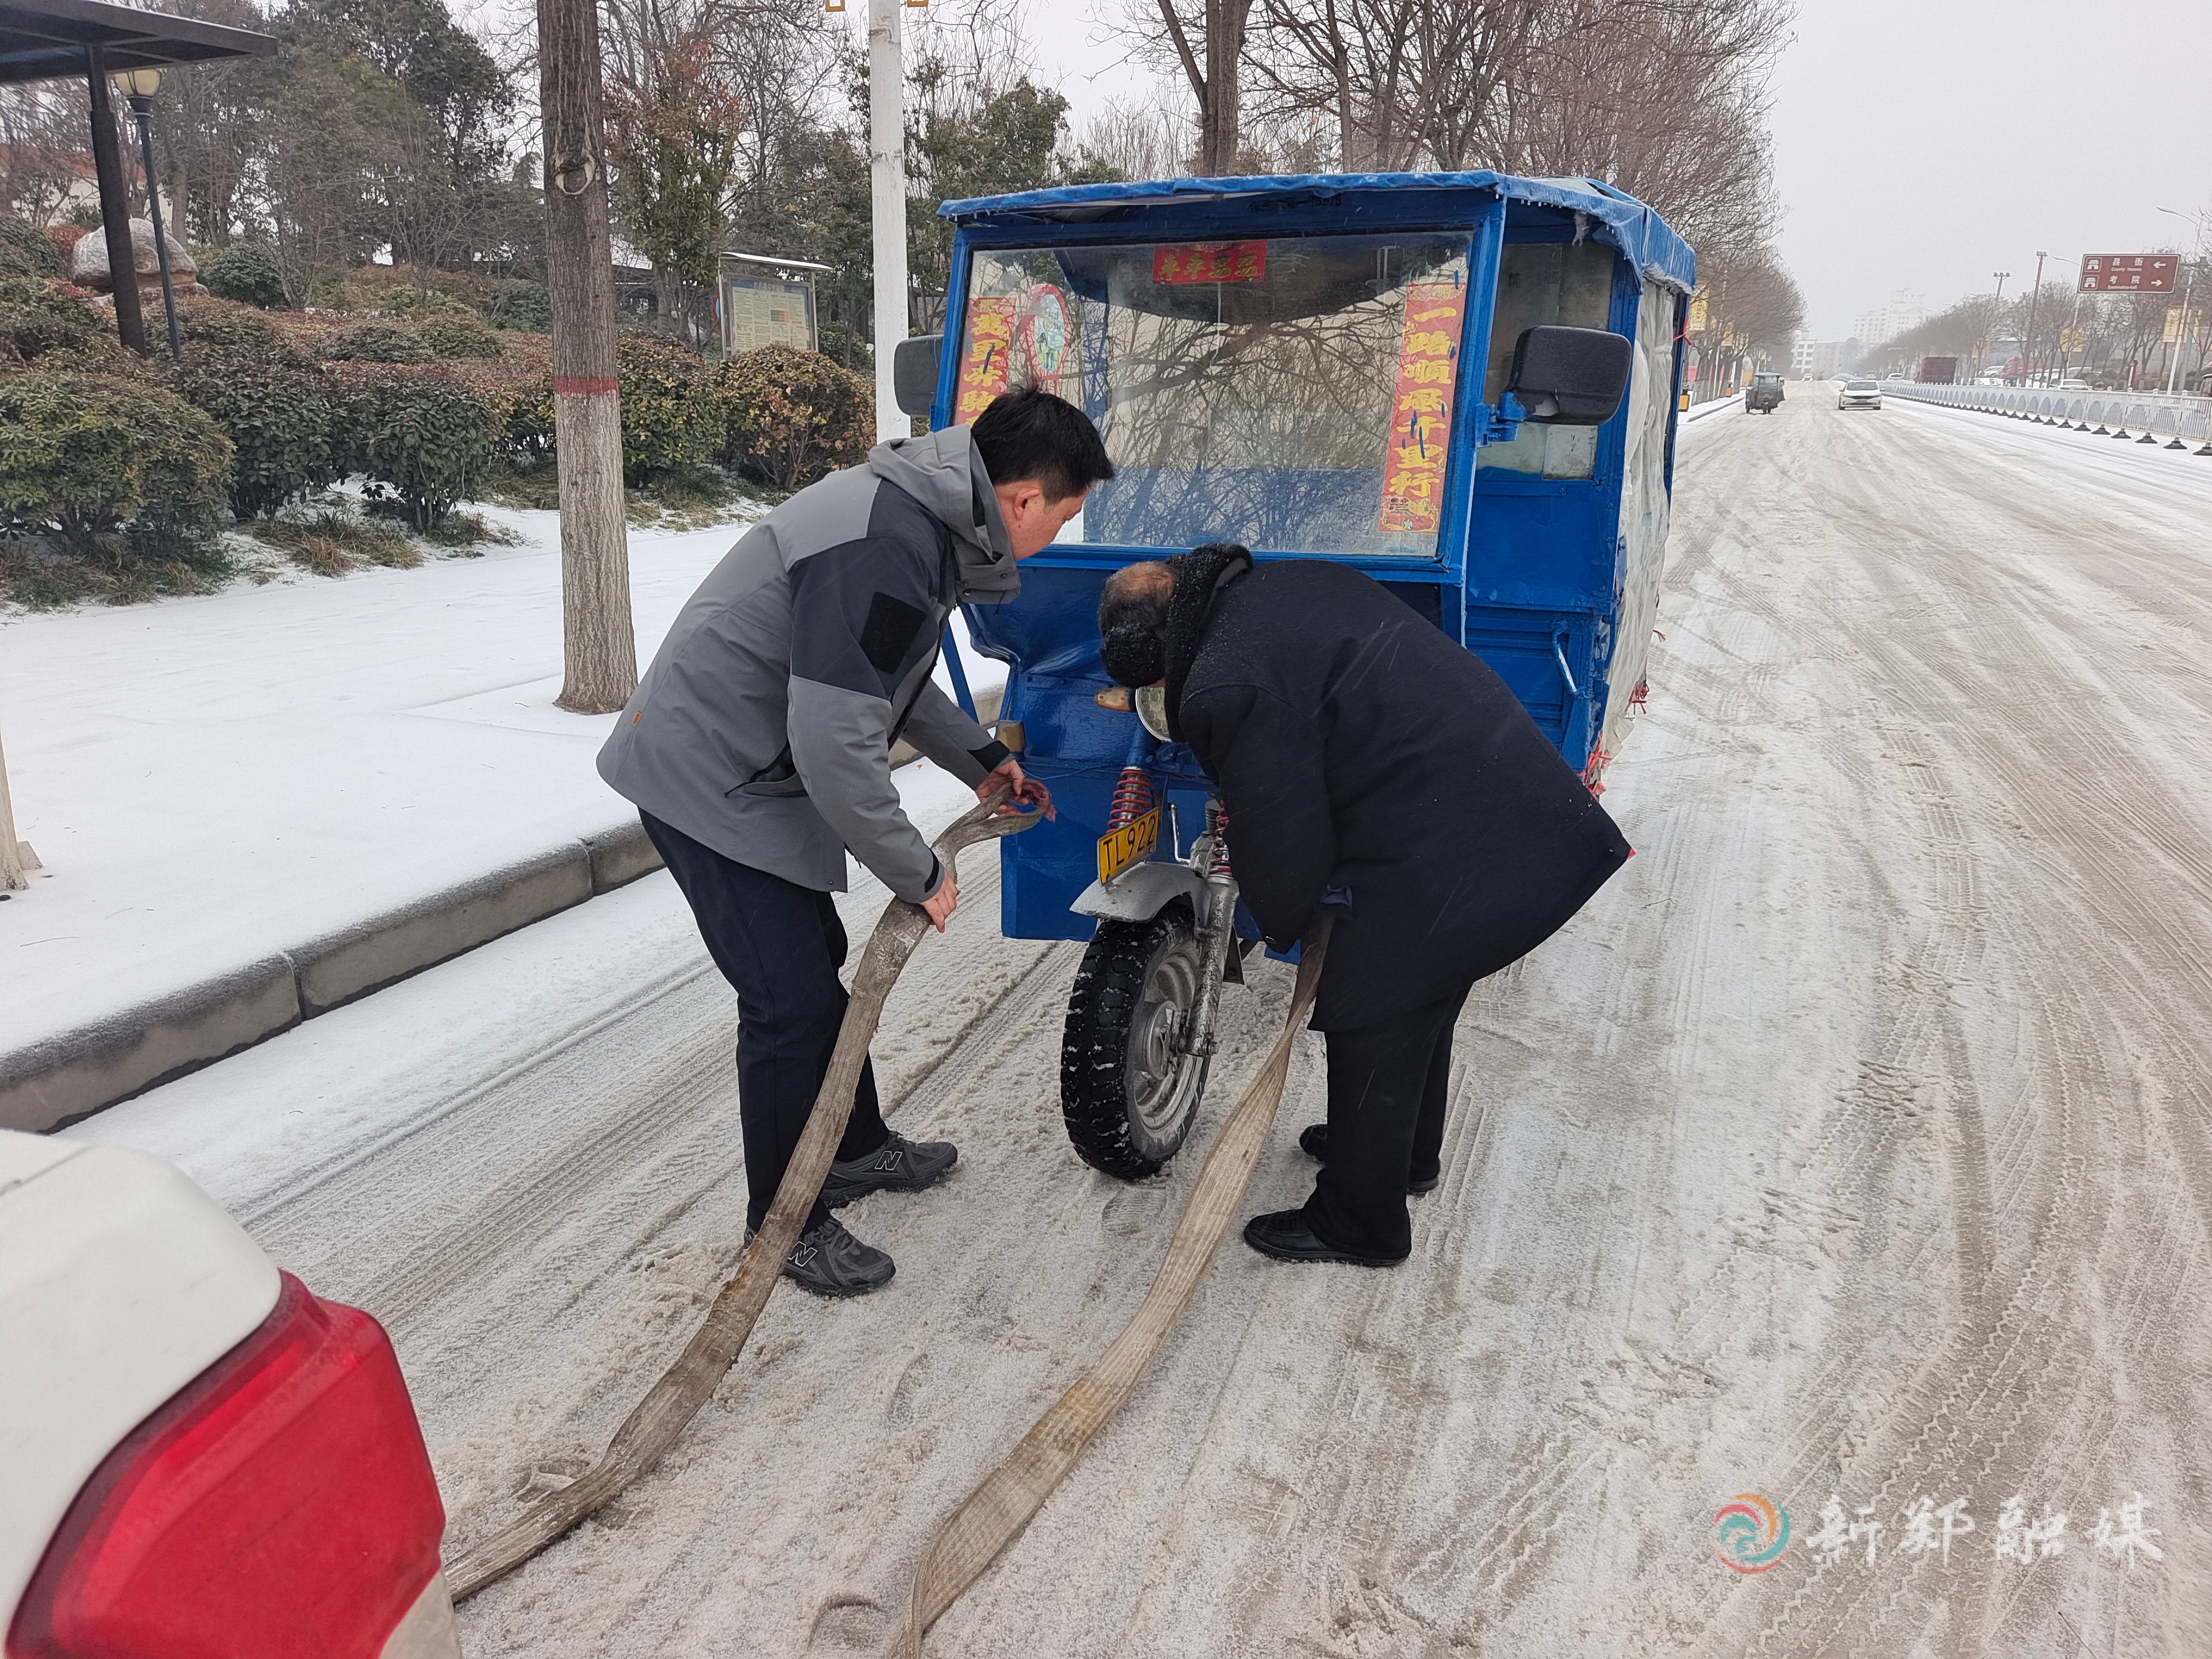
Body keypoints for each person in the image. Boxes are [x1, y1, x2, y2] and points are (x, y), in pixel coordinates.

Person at [599, 389, 1113, 1297]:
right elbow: (836, 741)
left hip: (749, 760)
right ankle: (781, 1226)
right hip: (705, 775)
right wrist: (915, 870)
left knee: (813, 967)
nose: (1060, 537)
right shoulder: (887, 541)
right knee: (787, 1003)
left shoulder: (919, 519)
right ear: (1023, 499)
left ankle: (854, 1147)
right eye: (1065, 516)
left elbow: (890, 680)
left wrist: (983, 761)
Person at [1096, 543, 1630, 1268]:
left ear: (1163, 651)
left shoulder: (1225, 681)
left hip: (1456, 832)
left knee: (1370, 1007)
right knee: (1424, 991)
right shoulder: (1282, 588)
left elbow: (1282, 828)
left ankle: (1359, 1222)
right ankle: (1399, 1157)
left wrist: (1288, 922)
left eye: (1157, 684)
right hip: (1501, 799)